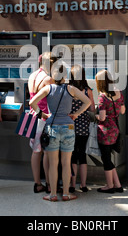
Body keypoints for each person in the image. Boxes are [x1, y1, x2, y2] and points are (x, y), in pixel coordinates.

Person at [29, 63, 91, 202]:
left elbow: (32, 102)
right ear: (65, 76)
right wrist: (76, 114)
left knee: (53, 163)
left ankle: (52, 195)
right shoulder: (71, 89)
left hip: (52, 127)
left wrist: (43, 114)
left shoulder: (48, 88)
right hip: (68, 127)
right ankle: (66, 193)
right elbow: (87, 102)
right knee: (66, 162)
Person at [28, 52, 55, 193]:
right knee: (46, 151)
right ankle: (49, 184)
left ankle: (37, 183)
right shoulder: (48, 79)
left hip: (32, 115)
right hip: (43, 117)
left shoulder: (32, 75)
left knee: (36, 151)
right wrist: (44, 114)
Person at [95, 69, 125, 193]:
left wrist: (93, 116)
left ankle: (109, 186)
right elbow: (122, 111)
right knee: (109, 158)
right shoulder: (118, 92)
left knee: (106, 159)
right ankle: (117, 185)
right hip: (115, 130)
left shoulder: (102, 97)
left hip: (105, 131)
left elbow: (101, 117)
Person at [69, 65, 95, 193]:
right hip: (84, 126)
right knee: (82, 155)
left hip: (70, 125)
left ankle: (72, 184)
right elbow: (92, 110)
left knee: (72, 155)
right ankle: (83, 185)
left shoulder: (69, 90)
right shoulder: (87, 90)